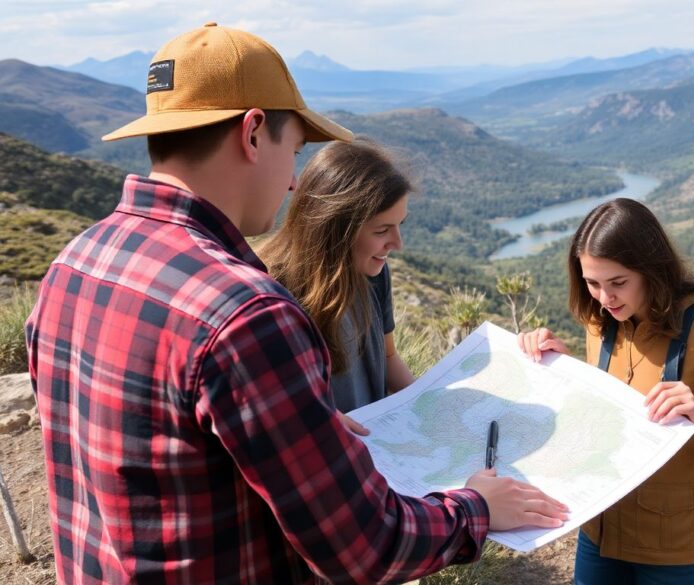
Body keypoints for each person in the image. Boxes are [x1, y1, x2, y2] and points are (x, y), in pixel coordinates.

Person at [25, 23, 567, 585]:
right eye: (296, 149)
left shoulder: (75, 264)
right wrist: (475, 507)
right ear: (253, 132)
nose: (292, 184)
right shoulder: (244, 313)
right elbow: (364, 548)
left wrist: (297, 423)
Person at [518, 198, 694, 585]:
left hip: (675, 547)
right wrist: (559, 367)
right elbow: (603, 407)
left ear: (652, 269)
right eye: (592, 283)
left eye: (618, 283)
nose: (604, 298)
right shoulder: (599, 321)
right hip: (600, 529)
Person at [258, 139, 415, 432]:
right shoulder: (272, 292)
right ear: (335, 229)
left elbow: (389, 356)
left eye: (400, 225)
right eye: (382, 230)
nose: (397, 244)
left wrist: (426, 402)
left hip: (376, 446)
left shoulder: (372, 271)